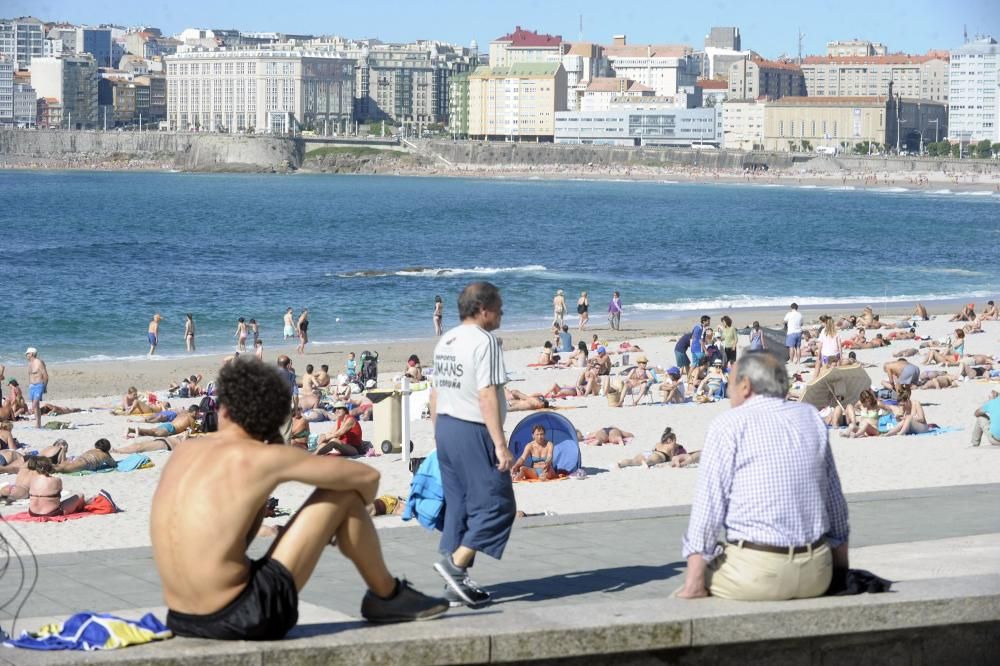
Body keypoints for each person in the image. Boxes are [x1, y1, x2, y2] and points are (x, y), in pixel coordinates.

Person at [152, 358, 448, 640]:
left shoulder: (184, 452)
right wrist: (346, 518)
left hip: (181, 617)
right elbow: (367, 479)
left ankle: (385, 594)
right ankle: (387, 594)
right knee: (342, 493)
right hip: (239, 616)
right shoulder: (261, 456)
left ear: (224, 410)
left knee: (341, 501)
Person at [678, 352, 850, 601]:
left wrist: (693, 583)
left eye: (731, 382)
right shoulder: (810, 417)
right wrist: (841, 571)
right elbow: (835, 505)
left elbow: (709, 509)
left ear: (745, 385)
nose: (728, 391)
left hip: (757, 570)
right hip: (815, 570)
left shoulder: (728, 424)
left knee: (682, 600)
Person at [429, 282, 515, 608]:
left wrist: (438, 435)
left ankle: (455, 587)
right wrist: (500, 444)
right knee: (497, 503)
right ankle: (456, 565)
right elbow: (486, 394)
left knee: (460, 506)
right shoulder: (485, 341)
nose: (502, 313)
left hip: (447, 427)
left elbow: (436, 392)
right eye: (499, 307)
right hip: (472, 427)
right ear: (483, 310)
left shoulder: (447, 339)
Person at [617, 427, 686, 468]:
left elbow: (653, 450)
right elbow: (672, 457)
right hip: (659, 455)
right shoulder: (672, 445)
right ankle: (646, 463)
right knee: (649, 461)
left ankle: (620, 464)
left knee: (633, 461)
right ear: (671, 439)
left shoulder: (658, 443)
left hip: (648, 452)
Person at [127, 406, 197, 439]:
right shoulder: (191, 419)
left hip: (168, 424)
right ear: (194, 412)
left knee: (152, 431)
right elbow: (193, 431)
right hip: (171, 429)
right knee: (154, 433)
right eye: (197, 413)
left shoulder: (182, 414)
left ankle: (131, 430)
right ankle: (138, 430)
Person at [25, 347, 48, 430]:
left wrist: (44, 387)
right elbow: (30, 375)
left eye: (27, 354)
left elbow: (45, 375)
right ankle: (38, 424)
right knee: (36, 406)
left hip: (39, 385)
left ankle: (36, 421)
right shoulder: (29, 364)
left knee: (35, 403)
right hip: (32, 386)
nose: (26, 355)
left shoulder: (39, 362)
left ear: (31, 354)